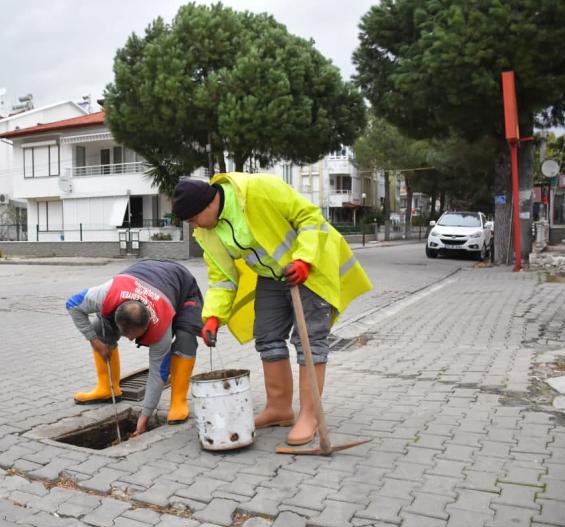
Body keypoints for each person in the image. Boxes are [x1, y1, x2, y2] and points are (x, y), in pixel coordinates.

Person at [171, 174, 372, 445]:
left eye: (193, 219)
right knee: (267, 336)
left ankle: (310, 415)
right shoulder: (207, 231)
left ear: (208, 204)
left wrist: (304, 259)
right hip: (272, 275)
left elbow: (310, 218)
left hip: (309, 267)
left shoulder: (258, 190)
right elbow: (222, 277)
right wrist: (213, 317)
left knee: (309, 340)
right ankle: (279, 408)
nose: (193, 227)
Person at [66, 260, 203, 434]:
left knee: (186, 338)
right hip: (141, 274)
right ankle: (107, 388)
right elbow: (72, 304)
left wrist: (144, 417)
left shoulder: (160, 329)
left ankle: (178, 402)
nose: (130, 340)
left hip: (180, 284)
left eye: (135, 335)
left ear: (148, 324)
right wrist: (94, 340)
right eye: (126, 334)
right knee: (99, 328)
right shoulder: (104, 295)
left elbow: (157, 374)